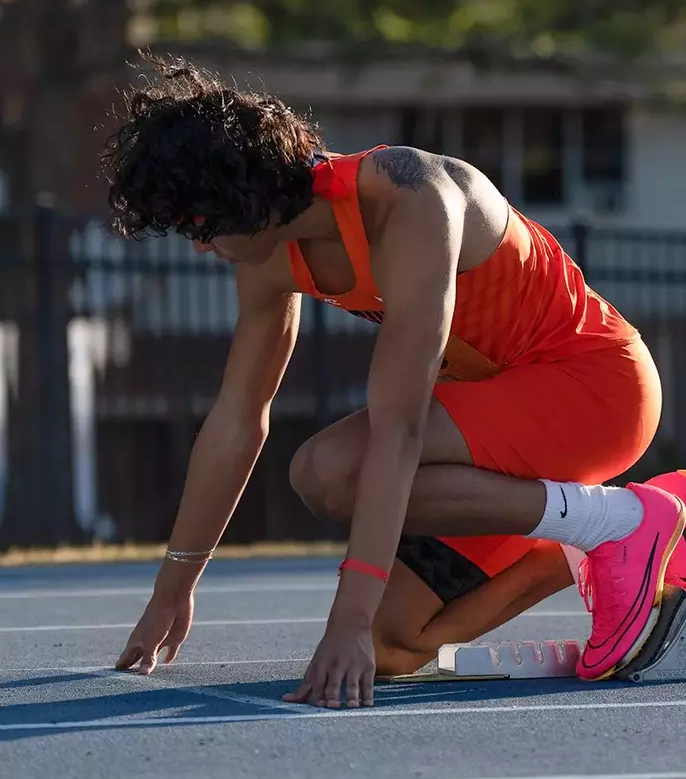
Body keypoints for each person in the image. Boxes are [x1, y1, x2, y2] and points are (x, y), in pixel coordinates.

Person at [103, 55, 686, 709]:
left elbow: (400, 427)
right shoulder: (268, 258)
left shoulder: (410, 200)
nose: (196, 246)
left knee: (330, 472)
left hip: (594, 390)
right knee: (393, 645)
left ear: (241, 195)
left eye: (196, 224)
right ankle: (600, 545)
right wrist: (172, 590)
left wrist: (343, 621)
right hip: (502, 424)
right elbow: (237, 421)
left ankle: (622, 520)